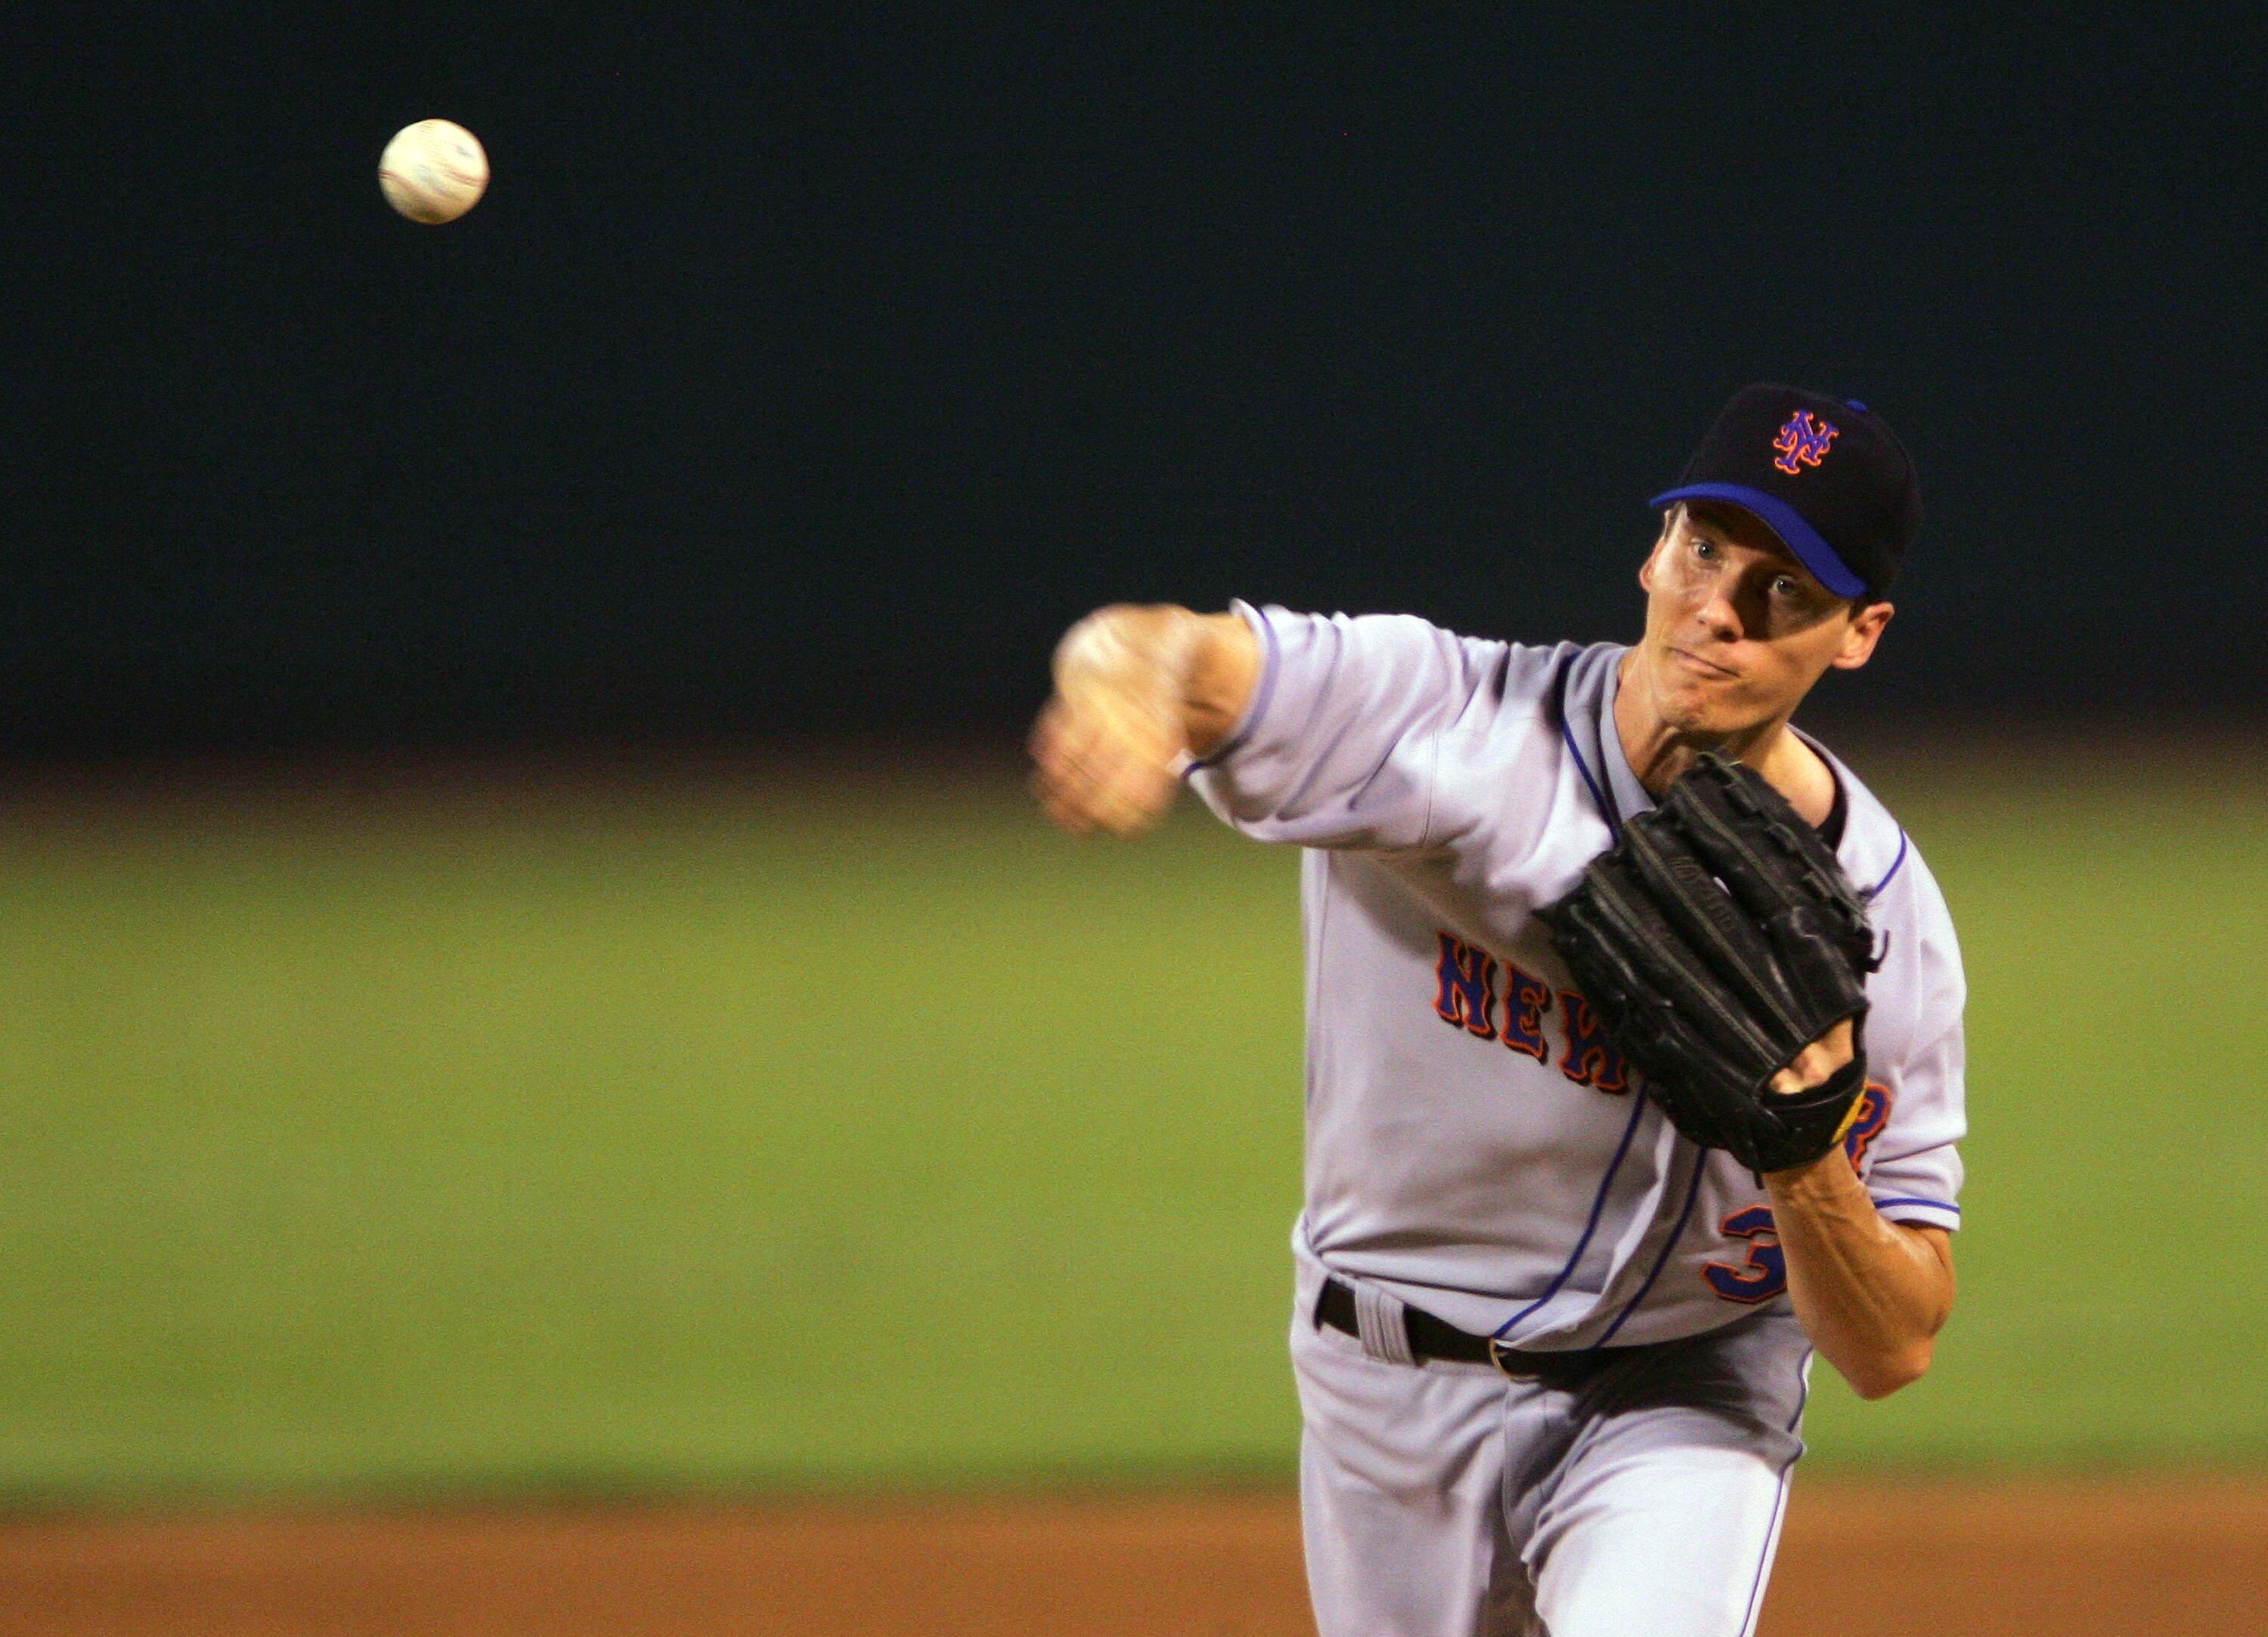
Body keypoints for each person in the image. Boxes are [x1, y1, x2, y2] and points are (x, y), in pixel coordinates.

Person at [1029, 385, 1964, 1637]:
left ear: (1859, 633)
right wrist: (1126, 692)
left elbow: (1893, 1343)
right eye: (1704, 551)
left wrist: (1806, 1158)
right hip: (1385, 1388)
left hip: (1682, 1396)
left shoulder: (1883, 918)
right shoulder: (1445, 723)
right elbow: (1163, 649)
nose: (1718, 611)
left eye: (1784, 591)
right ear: (1654, 548)